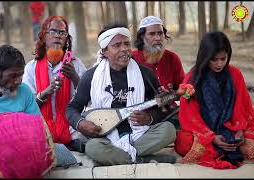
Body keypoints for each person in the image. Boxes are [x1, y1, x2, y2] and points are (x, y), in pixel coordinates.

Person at [66, 23, 177, 166]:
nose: (124, 49)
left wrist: (149, 118)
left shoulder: (145, 74)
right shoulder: (91, 77)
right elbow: (71, 109)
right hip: (106, 138)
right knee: (93, 148)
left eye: (126, 44)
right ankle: (142, 159)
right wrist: (80, 123)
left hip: (139, 134)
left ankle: (122, 158)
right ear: (105, 51)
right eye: (117, 45)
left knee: (169, 130)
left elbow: (162, 110)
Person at [174, 31, 254, 169]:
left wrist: (239, 130)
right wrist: (212, 137)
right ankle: (219, 148)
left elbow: (242, 106)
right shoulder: (192, 78)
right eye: (214, 59)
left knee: (249, 143)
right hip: (204, 133)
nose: (219, 64)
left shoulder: (235, 74)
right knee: (184, 142)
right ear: (205, 57)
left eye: (223, 59)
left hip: (232, 129)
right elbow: (189, 115)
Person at [22, 16, 87, 152]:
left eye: (62, 33)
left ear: (66, 39)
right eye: (53, 32)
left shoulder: (76, 64)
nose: (58, 36)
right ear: (44, 37)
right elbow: (27, 106)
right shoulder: (31, 67)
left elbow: (90, 99)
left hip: (72, 129)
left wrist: (74, 77)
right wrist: (46, 92)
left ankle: (67, 143)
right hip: (42, 129)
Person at [132, 16, 185, 129]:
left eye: (160, 33)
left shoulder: (173, 58)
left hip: (169, 113)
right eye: (152, 34)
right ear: (142, 36)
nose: (157, 38)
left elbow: (183, 90)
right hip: (140, 116)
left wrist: (172, 95)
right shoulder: (132, 60)